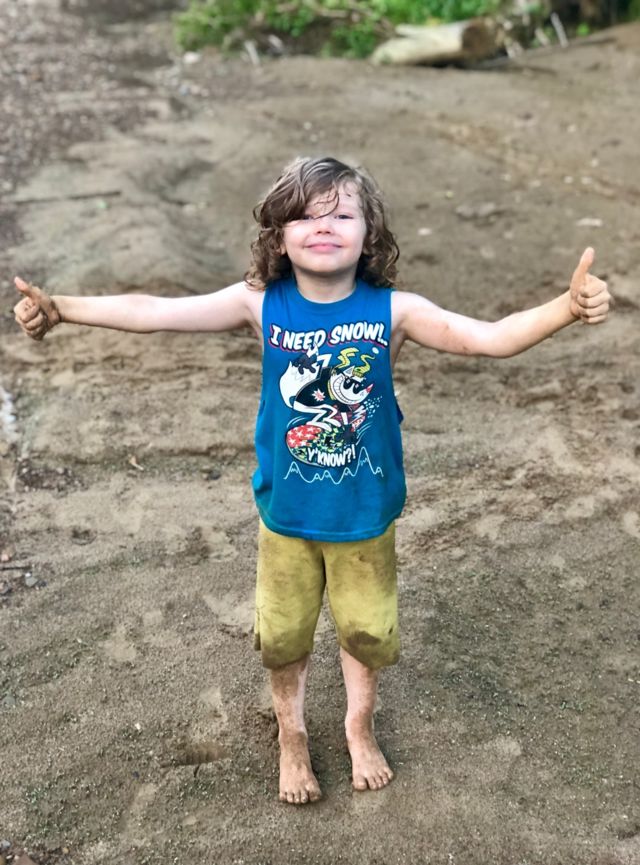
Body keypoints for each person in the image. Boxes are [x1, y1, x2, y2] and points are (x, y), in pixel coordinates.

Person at [13, 156, 611, 806]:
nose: (323, 226)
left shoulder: (395, 311)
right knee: (284, 637)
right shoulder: (258, 303)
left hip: (364, 516)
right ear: (278, 237)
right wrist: (62, 308)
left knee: (366, 633)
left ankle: (359, 724)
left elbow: (490, 337)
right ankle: (291, 735)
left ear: (369, 233)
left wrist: (567, 307)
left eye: (341, 214)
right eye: (304, 215)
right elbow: (153, 309)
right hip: (288, 515)